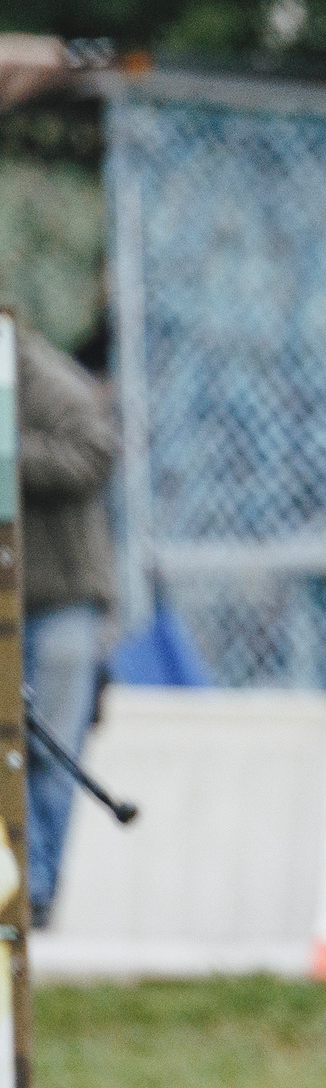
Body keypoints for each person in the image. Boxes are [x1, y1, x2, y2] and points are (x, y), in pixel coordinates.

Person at [13, 324, 118, 926]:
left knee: (51, 750)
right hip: (11, 603)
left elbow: (95, 452)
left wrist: (9, 449)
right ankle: (24, 886)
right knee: (12, 750)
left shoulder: (43, 378)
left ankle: (37, 891)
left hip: (61, 601)